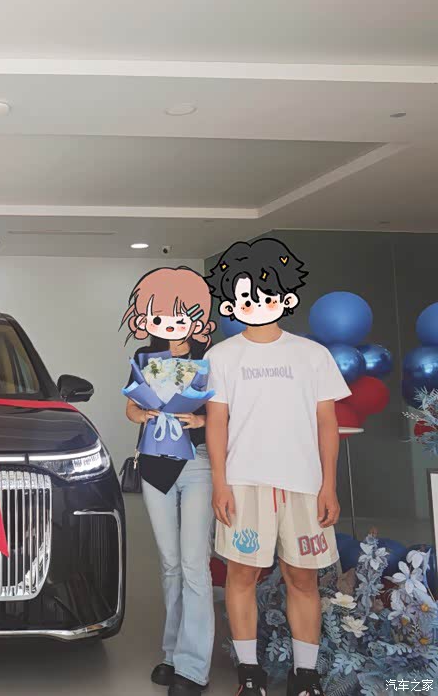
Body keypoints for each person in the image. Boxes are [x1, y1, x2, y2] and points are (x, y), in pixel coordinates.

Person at [204, 238, 349, 696]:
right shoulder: (221, 356)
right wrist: (220, 483)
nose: (257, 303)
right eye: (245, 296)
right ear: (231, 303)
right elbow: (217, 424)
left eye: (267, 294)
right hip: (243, 483)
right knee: (241, 575)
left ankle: (305, 676)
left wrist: (329, 484)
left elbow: (327, 423)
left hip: (304, 484)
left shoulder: (312, 354)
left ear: (286, 297)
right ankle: (250, 674)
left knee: (303, 578)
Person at [121, 267, 217, 696]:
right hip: (154, 462)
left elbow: (224, 410)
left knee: (195, 563)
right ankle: (172, 653)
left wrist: (201, 420)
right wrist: (141, 414)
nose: (170, 324)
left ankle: (194, 668)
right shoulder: (145, 356)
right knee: (170, 564)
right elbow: (129, 406)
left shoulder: (211, 356)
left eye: (179, 315)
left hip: (197, 463)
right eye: (159, 315)